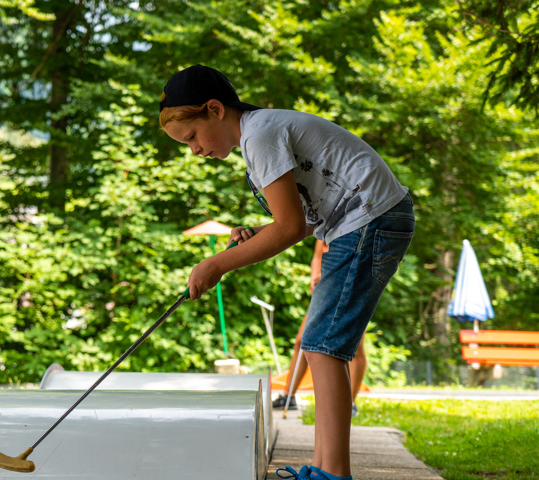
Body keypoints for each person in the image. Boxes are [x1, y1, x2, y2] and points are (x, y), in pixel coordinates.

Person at [160, 65, 414, 480]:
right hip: (361, 221)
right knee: (320, 346)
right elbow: (303, 220)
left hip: (371, 219)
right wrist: (255, 233)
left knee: (323, 345)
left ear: (214, 109)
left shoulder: (260, 135)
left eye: (191, 137)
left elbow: (291, 229)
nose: (194, 150)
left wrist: (215, 265)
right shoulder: (260, 135)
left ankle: (332, 474)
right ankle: (323, 468)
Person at [273, 239, 368, 417]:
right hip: (325, 285)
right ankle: (289, 396)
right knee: (302, 340)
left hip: (351, 282)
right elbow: (318, 256)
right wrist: (314, 277)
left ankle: (351, 403)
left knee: (355, 345)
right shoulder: (327, 222)